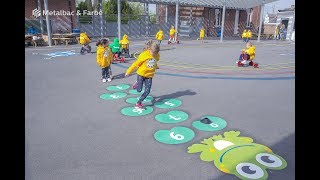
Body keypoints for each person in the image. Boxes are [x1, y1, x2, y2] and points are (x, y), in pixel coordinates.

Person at [125, 42, 160, 109]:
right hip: (141, 74)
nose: (155, 54)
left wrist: (156, 66)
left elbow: (154, 61)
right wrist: (128, 71)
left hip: (149, 76)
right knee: (139, 90)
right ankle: (137, 83)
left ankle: (139, 103)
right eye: (154, 53)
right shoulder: (144, 55)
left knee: (147, 91)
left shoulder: (157, 55)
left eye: (156, 53)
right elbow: (135, 64)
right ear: (149, 50)